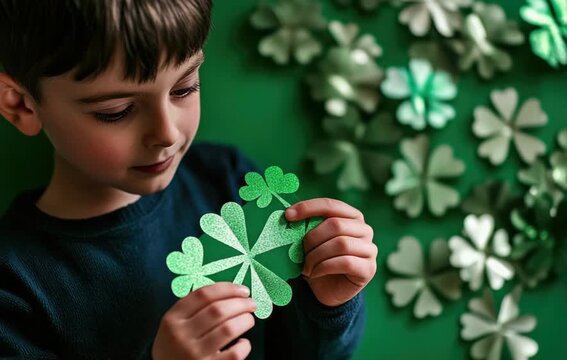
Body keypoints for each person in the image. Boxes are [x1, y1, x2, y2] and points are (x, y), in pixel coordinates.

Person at [0, 1, 377, 359]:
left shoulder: (229, 181)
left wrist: (328, 302)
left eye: (184, 88)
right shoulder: (14, 280)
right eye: (116, 111)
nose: (166, 133)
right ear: (20, 104)